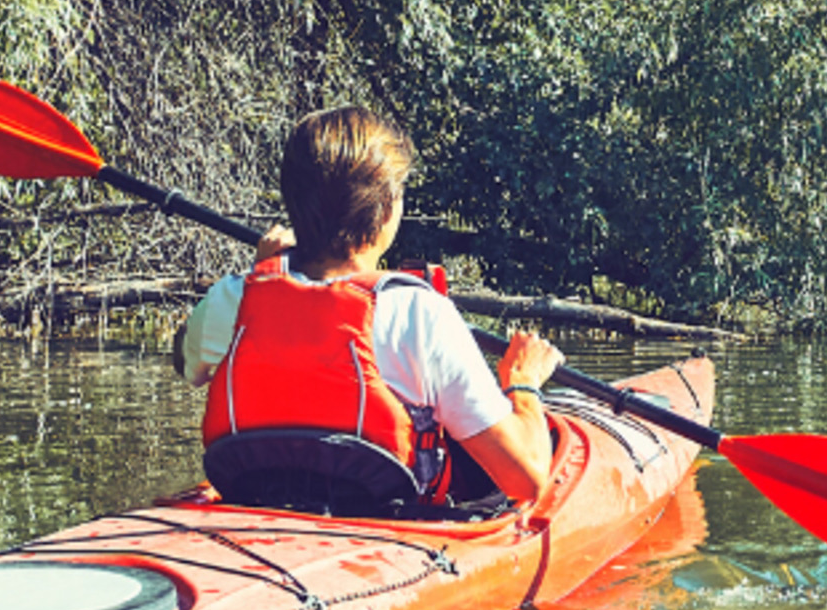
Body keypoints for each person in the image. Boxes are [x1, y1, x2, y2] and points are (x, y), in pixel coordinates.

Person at [172, 107, 564, 519]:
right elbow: (526, 478)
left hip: (254, 516)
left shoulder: (232, 301)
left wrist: (261, 277)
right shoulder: (421, 314)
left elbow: (185, 361)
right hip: (386, 538)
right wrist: (523, 384)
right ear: (387, 209)